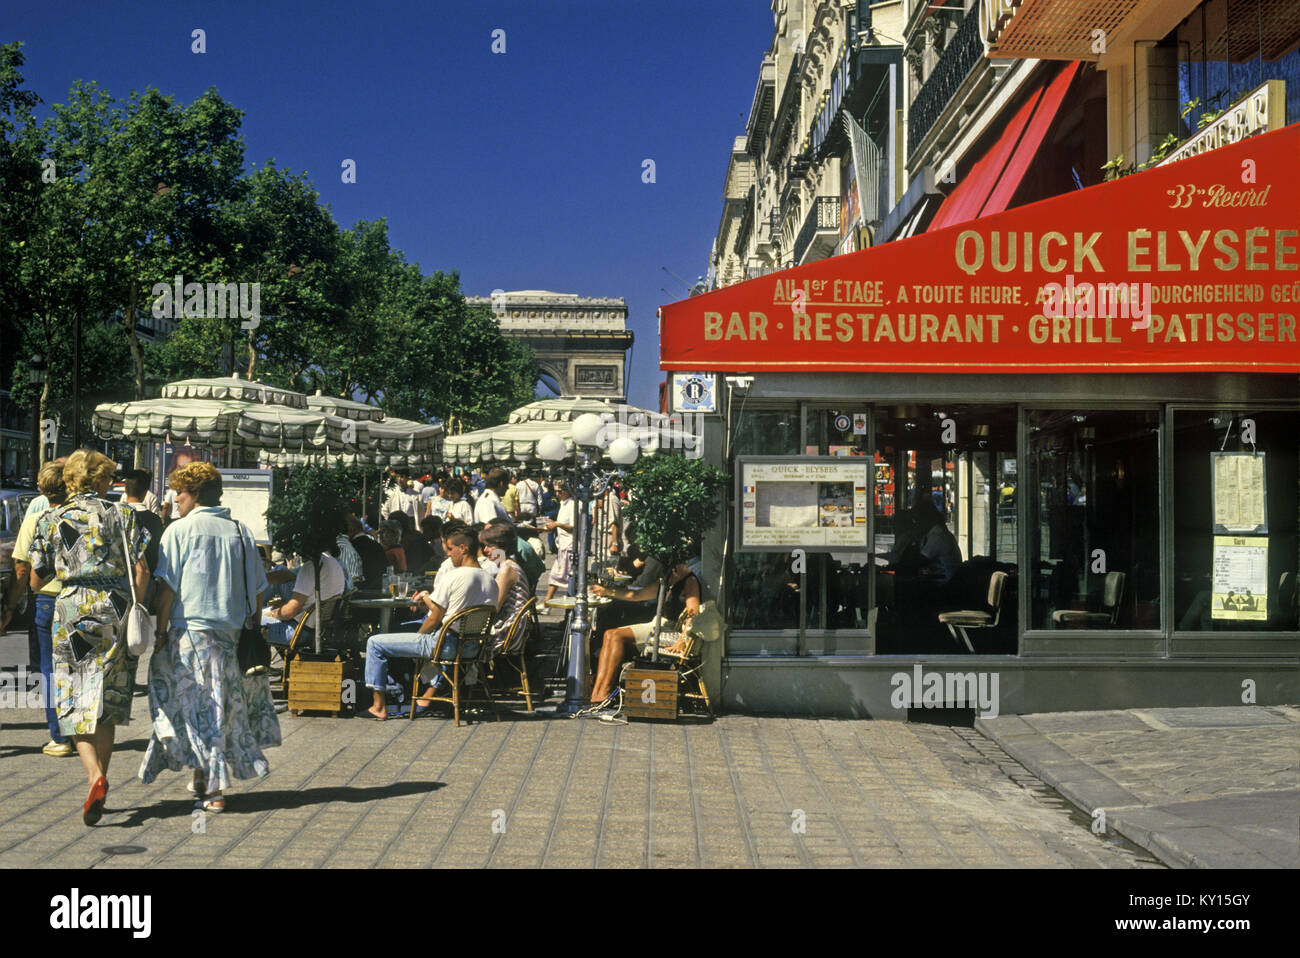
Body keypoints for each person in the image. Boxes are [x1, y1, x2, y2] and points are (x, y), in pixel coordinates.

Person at [139, 462, 278, 813]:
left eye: (180, 492)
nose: (175, 498)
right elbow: (258, 591)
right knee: (213, 705)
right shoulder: (241, 532)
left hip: (190, 633)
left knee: (192, 703)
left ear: (196, 493)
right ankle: (202, 773)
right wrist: (251, 629)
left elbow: (167, 590)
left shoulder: (178, 531)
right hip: (229, 634)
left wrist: (159, 632)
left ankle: (213, 787)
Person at [28, 450, 151, 825]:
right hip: (114, 605)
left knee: (75, 701)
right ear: (99, 481)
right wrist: (133, 606)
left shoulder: (50, 517)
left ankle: (95, 776)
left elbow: (37, 576)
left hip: (71, 611)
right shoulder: (125, 514)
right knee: (108, 701)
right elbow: (143, 569)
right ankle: (102, 779)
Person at [363, 527, 498, 720]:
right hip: (472, 648)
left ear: (463, 548)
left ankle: (378, 706)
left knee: (375, 642)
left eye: (450, 549)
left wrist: (417, 639)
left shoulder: (455, 576)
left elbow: (434, 618)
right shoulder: (490, 580)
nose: (448, 554)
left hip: (445, 645)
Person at [1, 460, 73, 757]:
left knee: (48, 668)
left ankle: (60, 737)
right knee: (77, 667)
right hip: (79, 600)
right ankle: (86, 733)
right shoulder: (82, 517)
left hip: (46, 599)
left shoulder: (35, 520)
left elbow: (21, 570)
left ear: (42, 489)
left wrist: (10, 607)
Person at [588, 562, 700, 705]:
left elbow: (693, 613)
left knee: (616, 635)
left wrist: (682, 640)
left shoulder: (690, 581)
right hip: (658, 624)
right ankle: (597, 692)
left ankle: (605, 691)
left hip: (671, 629)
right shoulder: (668, 579)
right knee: (608, 634)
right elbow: (637, 595)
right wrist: (608, 591)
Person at [265, 545, 347, 650]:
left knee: (247, 624)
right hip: (316, 629)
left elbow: (288, 612)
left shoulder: (312, 566)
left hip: (299, 632)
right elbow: (287, 575)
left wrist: (272, 613)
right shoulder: (333, 562)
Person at [479, 523, 533, 658]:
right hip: (514, 627)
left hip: (509, 632)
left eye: (490, 546)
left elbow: (494, 605)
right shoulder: (508, 564)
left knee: (463, 644)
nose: (485, 550)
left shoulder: (506, 569)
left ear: (504, 547)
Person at [123, 469, 164, 575]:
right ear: (146, 491)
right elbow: (157, 552)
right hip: (148, 577)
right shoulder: (155, 520)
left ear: (125, 490)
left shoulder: (114, 515)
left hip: (119, 579)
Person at [544, 482, 576, 603]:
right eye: (556, 491)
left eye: (560, 491)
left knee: (562, 576)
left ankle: (548, 603)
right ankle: (547, 602)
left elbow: (573, 527)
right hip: (563, 545)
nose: (557, 494)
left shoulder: (572, 504)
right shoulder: (563, 504)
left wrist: (557, 524)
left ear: (567, 490)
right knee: (557, 575)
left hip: (570, 546)